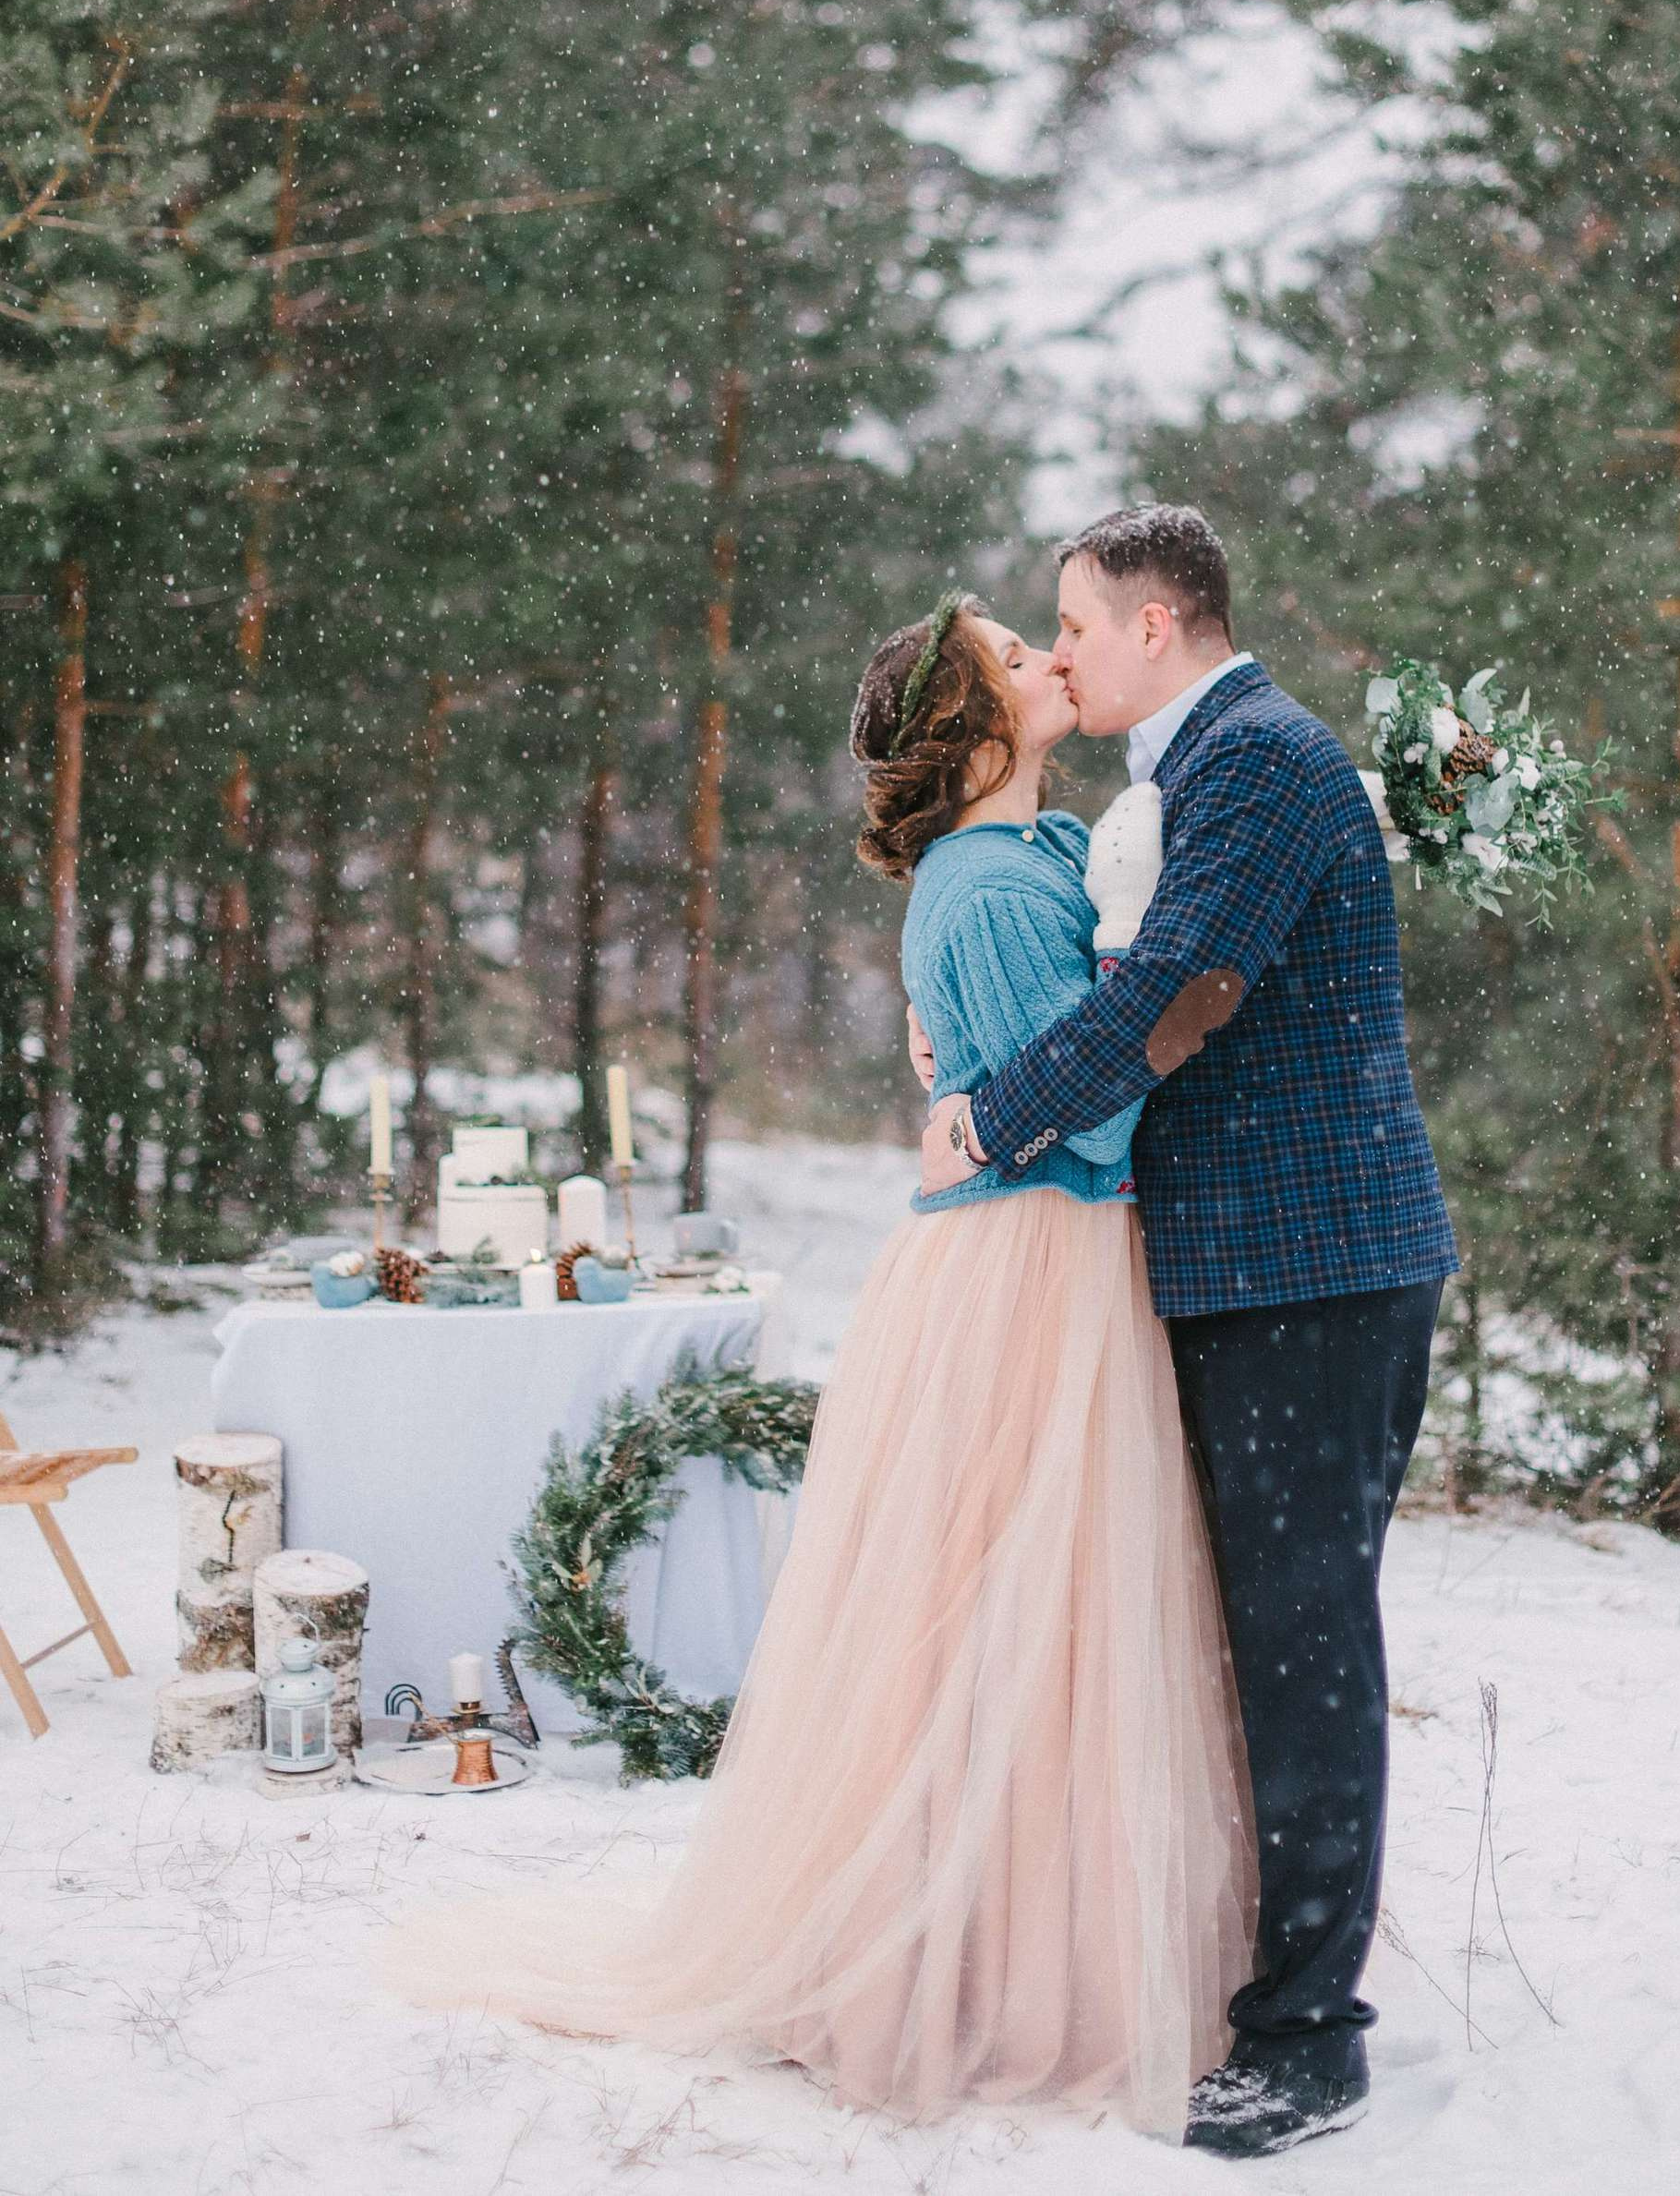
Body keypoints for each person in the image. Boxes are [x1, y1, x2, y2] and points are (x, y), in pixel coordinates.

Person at [381, 591, 1255, 2144]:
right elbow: (1098, 1104)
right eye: (1016, 651)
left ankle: (1026, 1928)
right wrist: (1192, 1016)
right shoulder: (979, 886)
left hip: (1060, 1250)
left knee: (1050, 1618)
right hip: (1025, 1268)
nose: (1054, 657)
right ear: (980, 726)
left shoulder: (1039, 853)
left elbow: (1087, 1011)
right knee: (995, 1613)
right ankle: (949, 1964)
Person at [918, 503, 1457, 2161]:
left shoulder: (1257, 761)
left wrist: (994, 1114)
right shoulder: (1204, 768)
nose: (1059, 649)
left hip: (1315, 1267)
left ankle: (1309, 2033)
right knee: (1269, 1637)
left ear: (1156, 624)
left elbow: (1179, 995)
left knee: (1303, 1641)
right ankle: (1267, 1966)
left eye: (1071, 622)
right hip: (1252, 1266)